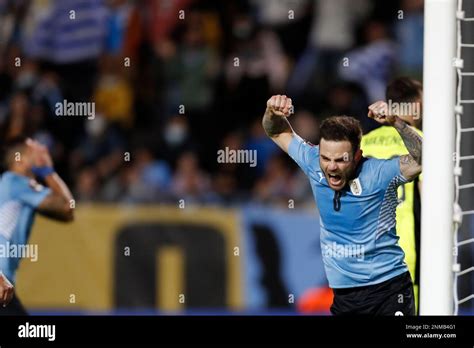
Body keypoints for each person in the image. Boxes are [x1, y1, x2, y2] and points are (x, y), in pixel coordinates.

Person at [262, 95, 422, 315]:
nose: (332, 167)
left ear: (357, 156)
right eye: (326, 158)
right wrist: (272, 111)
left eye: (341, 160)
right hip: (344, 296)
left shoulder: (378, 173)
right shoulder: (312, 162)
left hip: (389, 290)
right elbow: (276, 131)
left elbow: (425, 158)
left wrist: (396, 122)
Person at [361, 77, 423, 312]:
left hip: (366, 252)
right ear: (416, 105)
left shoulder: (364, 142)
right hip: (406, 252)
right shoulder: (421, 143)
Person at [0, 137, 74, 315]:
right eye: (34, 150)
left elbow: (67, 214)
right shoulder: (15, 182)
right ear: (21, 159)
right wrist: (48, 171)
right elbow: (68, 206)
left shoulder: (11, 185)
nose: (42, 151)